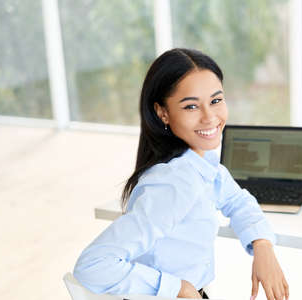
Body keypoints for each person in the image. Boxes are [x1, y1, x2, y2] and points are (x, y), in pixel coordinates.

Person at [73, 48, 289, 300]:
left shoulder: (200, 163)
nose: (210, 117)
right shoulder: (172, 183)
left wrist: (262, 245)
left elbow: (236, 200)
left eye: (216, 101)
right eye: (191, 106)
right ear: (162, 112)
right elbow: (93, 265)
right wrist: (177, 288)